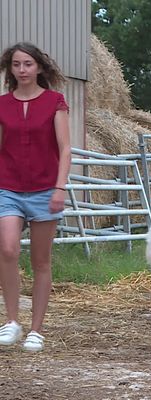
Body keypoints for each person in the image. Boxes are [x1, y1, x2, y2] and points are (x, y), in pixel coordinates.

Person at [0, 42, 71, 352]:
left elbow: (65, 148)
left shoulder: (55, 102)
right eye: (16, 65)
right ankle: (12, 322)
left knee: (41, 261)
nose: (22, 70)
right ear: (10, 70)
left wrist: (60, 187)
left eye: (27, 64)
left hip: (45, 189)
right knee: (8, 249)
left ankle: (36, 330)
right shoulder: (2, 105)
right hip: (8, 187)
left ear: (39, 67)